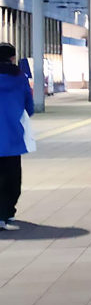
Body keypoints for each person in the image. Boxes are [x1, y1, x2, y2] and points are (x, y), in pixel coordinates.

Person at [0, 43, 34, 231]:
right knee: (12, 177)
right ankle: (7, 212)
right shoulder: (20, 78)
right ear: (13, 58)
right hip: (11, 137)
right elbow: (29, 107)